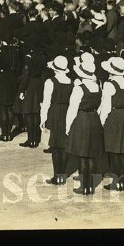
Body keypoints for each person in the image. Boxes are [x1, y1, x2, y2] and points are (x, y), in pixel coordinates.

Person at [64, 54, 104, 195]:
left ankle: (83, 186)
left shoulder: (79, 88)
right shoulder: (98, 87)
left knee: (82, 155)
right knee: (91, 155)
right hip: (94, 119)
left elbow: (72, 109)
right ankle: (90, 186)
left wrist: (68, 126)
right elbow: (101, 106)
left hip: (81, 119)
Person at [99, 57, 124, 191]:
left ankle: (116, 180)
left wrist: (102, 122)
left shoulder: (109, 84)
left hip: (113, 116)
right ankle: (122, 180)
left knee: (113, 150)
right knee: (123, 150)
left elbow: (106, 106)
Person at [39, 56, 74, 186]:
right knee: (64, 144)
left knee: (55, 145)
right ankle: (63, 175)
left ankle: (56, 175)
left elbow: (46, 102)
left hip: (54, 112)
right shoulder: (71, 82)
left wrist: (43, 119)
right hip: (67, 112)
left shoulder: (50, 81)